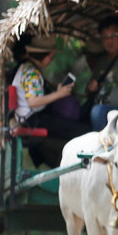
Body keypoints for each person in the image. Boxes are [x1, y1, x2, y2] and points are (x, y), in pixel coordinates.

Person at [12, 35, 91, 167]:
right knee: (83, 130)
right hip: (33, 119)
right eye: (51, 57)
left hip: (31, 117)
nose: (51, 60)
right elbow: (33, 102)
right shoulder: (31, 72)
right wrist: (59, 94)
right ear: (45, 56)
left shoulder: (26, 68)